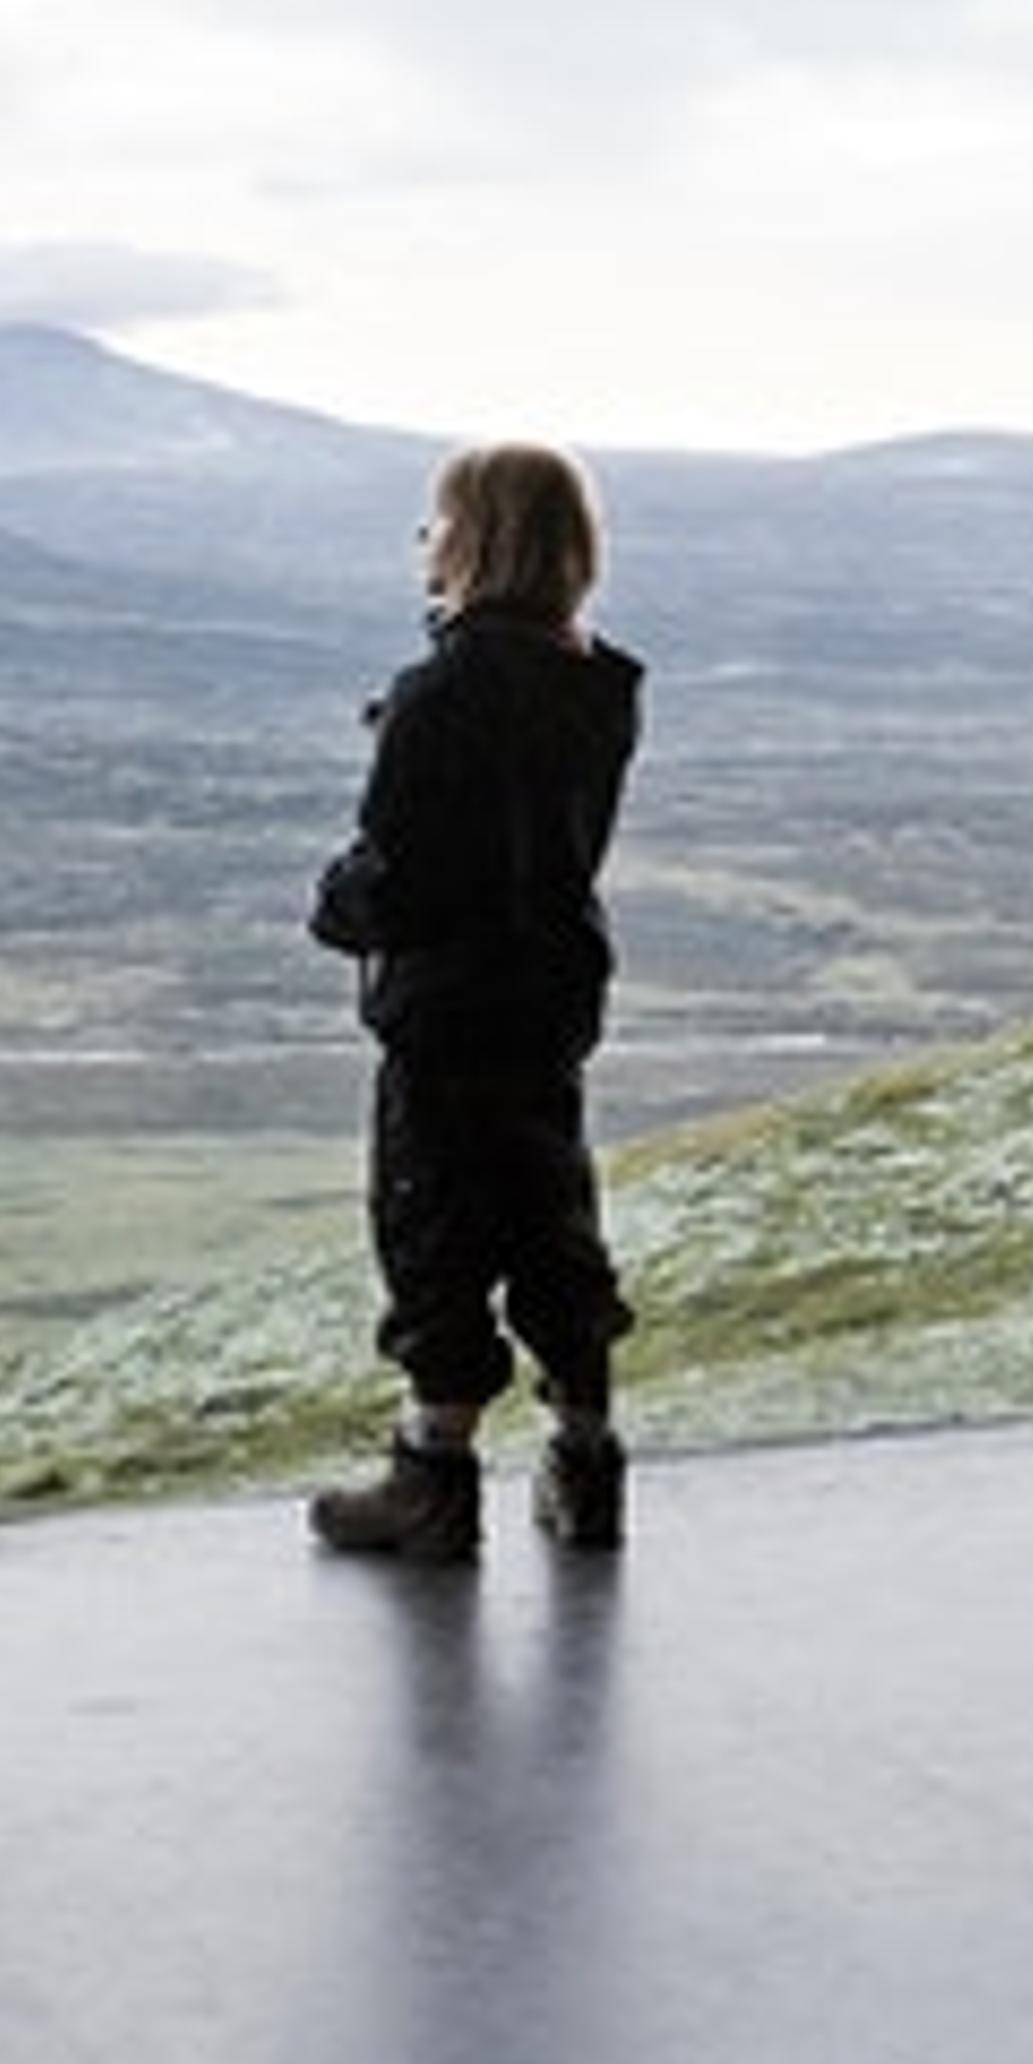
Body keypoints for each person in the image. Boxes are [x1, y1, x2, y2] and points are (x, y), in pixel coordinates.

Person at [305, 440, 643, 1562]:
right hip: (550, 995)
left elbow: (400, 877)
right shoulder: (598, 682)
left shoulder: (439, 693)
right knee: (553, 1217)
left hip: (449, 1006)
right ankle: (586, 1461)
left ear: (477, 537)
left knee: (436, 1227)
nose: (423, 539)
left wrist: (337, 901)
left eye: (436, 519)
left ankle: (431, 1479)